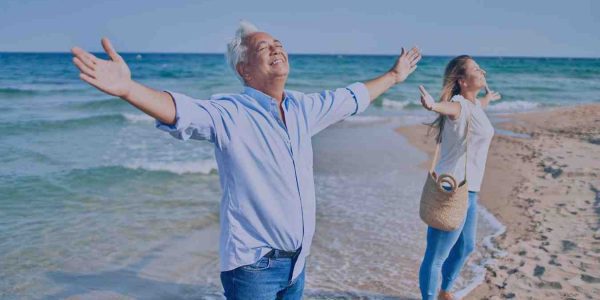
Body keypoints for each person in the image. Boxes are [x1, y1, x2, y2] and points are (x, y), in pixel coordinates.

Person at [71, 21, 421, 299]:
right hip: (254, 270)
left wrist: (394, 75)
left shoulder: (303, 108)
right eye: (263, 47)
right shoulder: (231, 114)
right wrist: (129, 89)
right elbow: (182, 111)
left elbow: (350, 97)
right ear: (244, 70)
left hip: (297, 265)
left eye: (278, 43)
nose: (276, 48)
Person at [417, 55, 501, 300]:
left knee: (465, 247)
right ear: (462, 81)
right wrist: (432, 105)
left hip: (470, 191)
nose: (482, 70)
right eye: (476, 68)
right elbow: (451, 108)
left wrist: (486, 99)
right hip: (451, 189)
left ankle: (445, 291)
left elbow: (475, 110)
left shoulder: (473, 105)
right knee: (436, 255)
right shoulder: (459, 104)